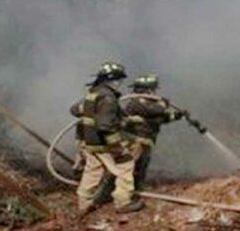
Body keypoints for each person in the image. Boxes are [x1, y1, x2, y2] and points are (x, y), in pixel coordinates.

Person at [70, 60, 145, 214]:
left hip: (90, 141)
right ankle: (123, 202)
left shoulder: (93, 93)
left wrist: (126, 119)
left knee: (93, 171)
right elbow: (105, 125)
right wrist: (116, 147)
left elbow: (75, 110)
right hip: (103, 142)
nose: (119, 83)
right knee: (126, 165)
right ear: (112, 80)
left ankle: (84, 203)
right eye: (118, 80)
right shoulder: (108, 97)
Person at [119, 74, 185, 190]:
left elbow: (157, 119)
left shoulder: (147, 103)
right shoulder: (137, 102)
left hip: (145, 139)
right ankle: (121, 191)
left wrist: (176, 116)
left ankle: (137, 186)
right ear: (147, 89)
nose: (154, 92)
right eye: (153, 89)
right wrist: (163, 103)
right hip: (135, 139)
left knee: (142, 164)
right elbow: (156, 110)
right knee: (129, 165)